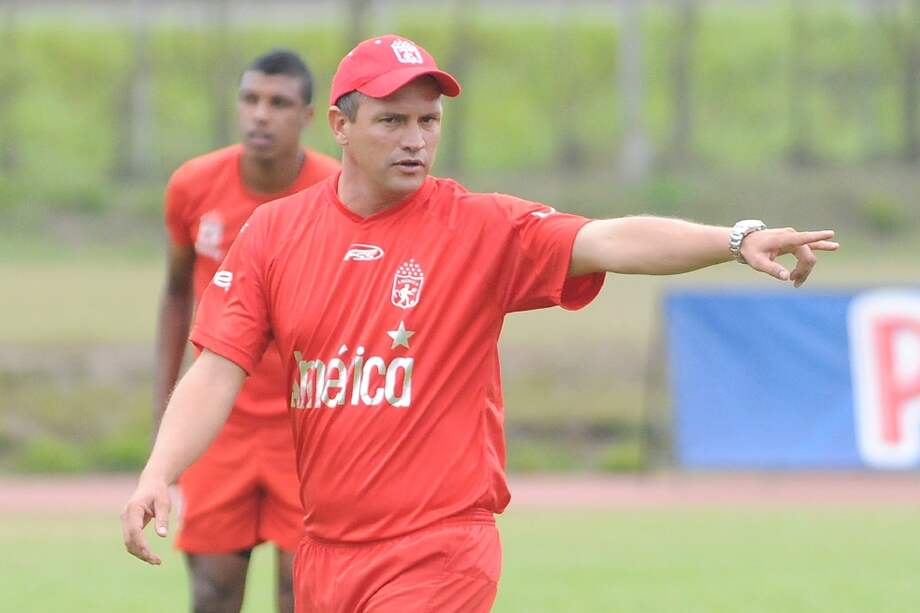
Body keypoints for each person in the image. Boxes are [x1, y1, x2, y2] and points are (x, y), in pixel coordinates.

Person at [125, 35, 838, 612]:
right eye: (392, 119)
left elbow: (610, 238)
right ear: (341, 126)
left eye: (428, 120)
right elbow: (217, 367)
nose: (415, 139)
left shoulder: (479, 226)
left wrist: (735, 237)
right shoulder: (273, 235)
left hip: (438, 549)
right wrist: (160, 469)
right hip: (327, 552)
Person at [153, 48, 339, 613]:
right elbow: (177, 292)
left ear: (308, 117)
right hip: (220, 419)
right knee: (212, 590)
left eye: (278, 103)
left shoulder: (336, 191)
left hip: (305, 421)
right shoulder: (193, 185)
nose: (261, 114)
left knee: (300, 591)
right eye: (251, 99)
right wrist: (165, 415)